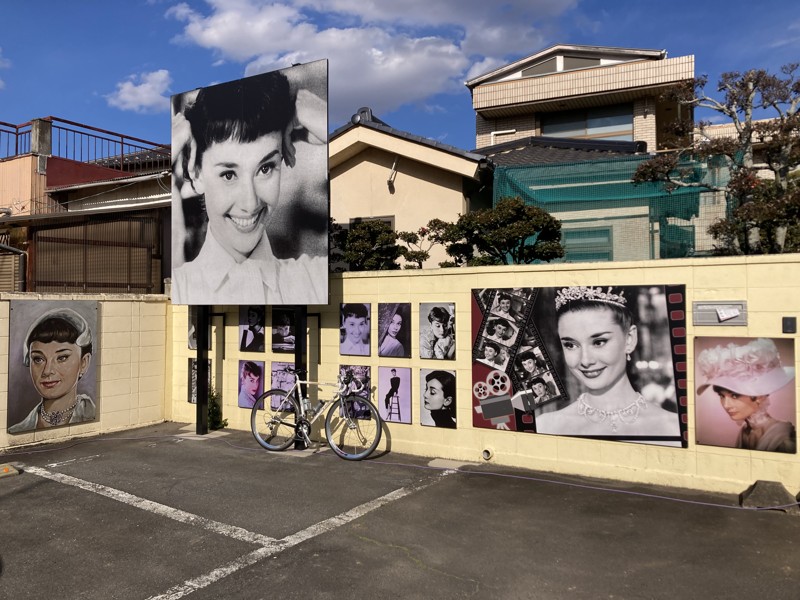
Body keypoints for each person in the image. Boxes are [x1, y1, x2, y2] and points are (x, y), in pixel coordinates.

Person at [171, 69, 327, 305]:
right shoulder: (178, 289)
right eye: (229, 174)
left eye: (265, 169)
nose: (250, 203)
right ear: (196, 173)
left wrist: (318, 116)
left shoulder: (315, 281)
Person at [535, 286, 680, 438]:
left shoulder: (674, 428)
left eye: (599, 342)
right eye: (570, 345)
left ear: (630, 339)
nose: (585, 360)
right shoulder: (546, 427)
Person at [696, 338, 796, 453]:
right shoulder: (746, 430)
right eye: (721, 396)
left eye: (734, 395)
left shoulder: (784, 441)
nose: (726, 405)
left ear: (759, 396)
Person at [9, 308, 95, 433]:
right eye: (38, 359)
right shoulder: (18, 430)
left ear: (84, 363)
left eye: (62, 358)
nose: (47, 371)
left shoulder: (92, 415)